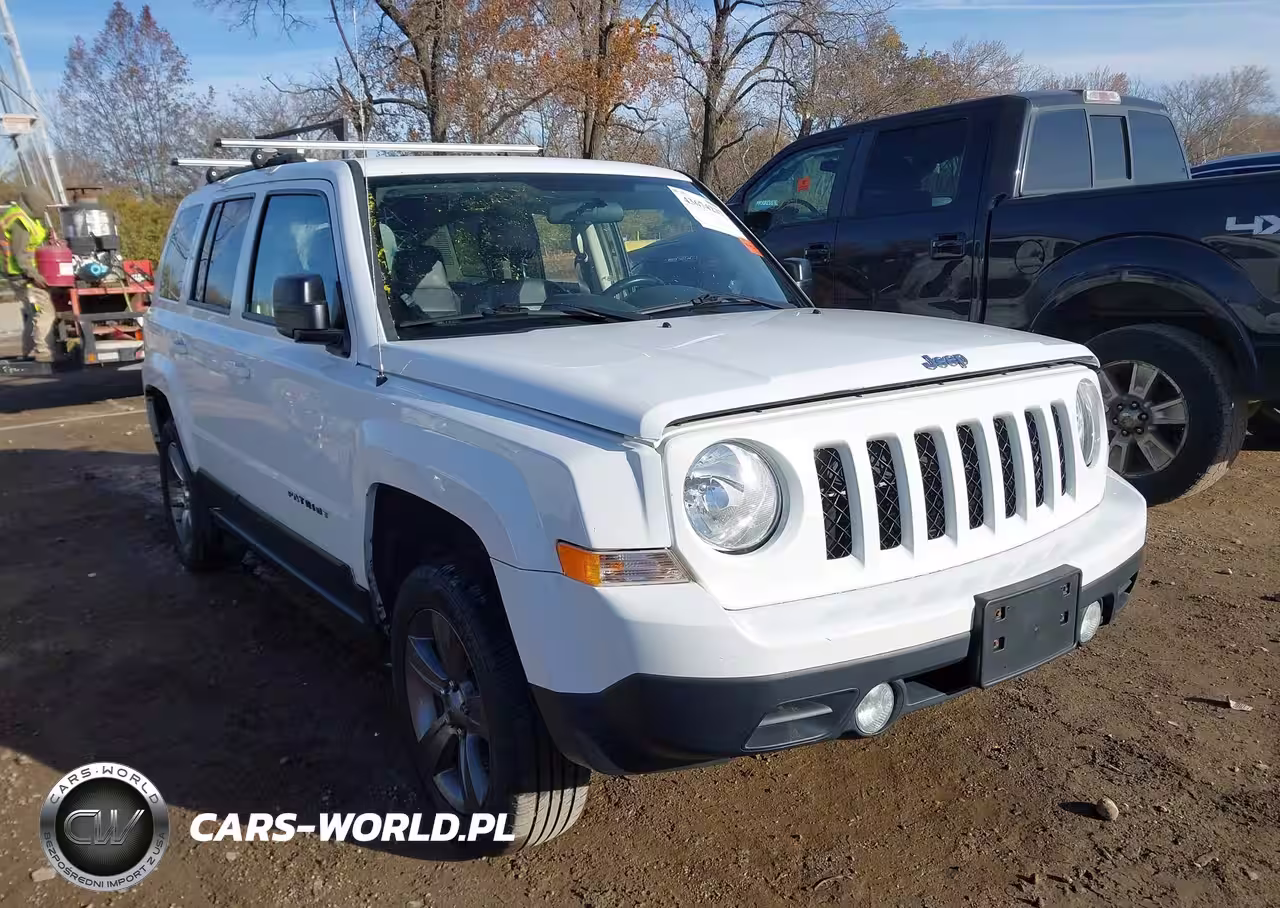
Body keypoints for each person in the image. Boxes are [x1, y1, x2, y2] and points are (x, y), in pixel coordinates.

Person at [1, 186, 54, 362]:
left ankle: (28, 351)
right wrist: (34, 275)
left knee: (33, 312)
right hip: (23, 276)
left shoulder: (29, 218)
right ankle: (42, 350)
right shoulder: (19, 222)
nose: (45, 209)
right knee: (45, 311)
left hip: (25, 274)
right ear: (34, 203)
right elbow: (20, 254)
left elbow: (35, 244)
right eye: (43, 205)